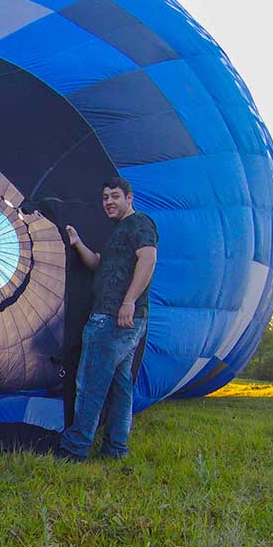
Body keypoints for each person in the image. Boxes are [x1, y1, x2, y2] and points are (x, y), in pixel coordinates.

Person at [55, 176, 158, 461]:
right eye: (105, 198)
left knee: (90, 383)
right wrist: (77, 244)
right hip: (121, 319)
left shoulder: (140, 224)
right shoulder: (118, 231)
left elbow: (148, 260)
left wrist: (129, 302)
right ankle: (115, 448)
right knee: (120, 387)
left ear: (129, 198)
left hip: (114, 318)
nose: (109, 202)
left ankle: (75, 449)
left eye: (115, 196)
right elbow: (98, 265)